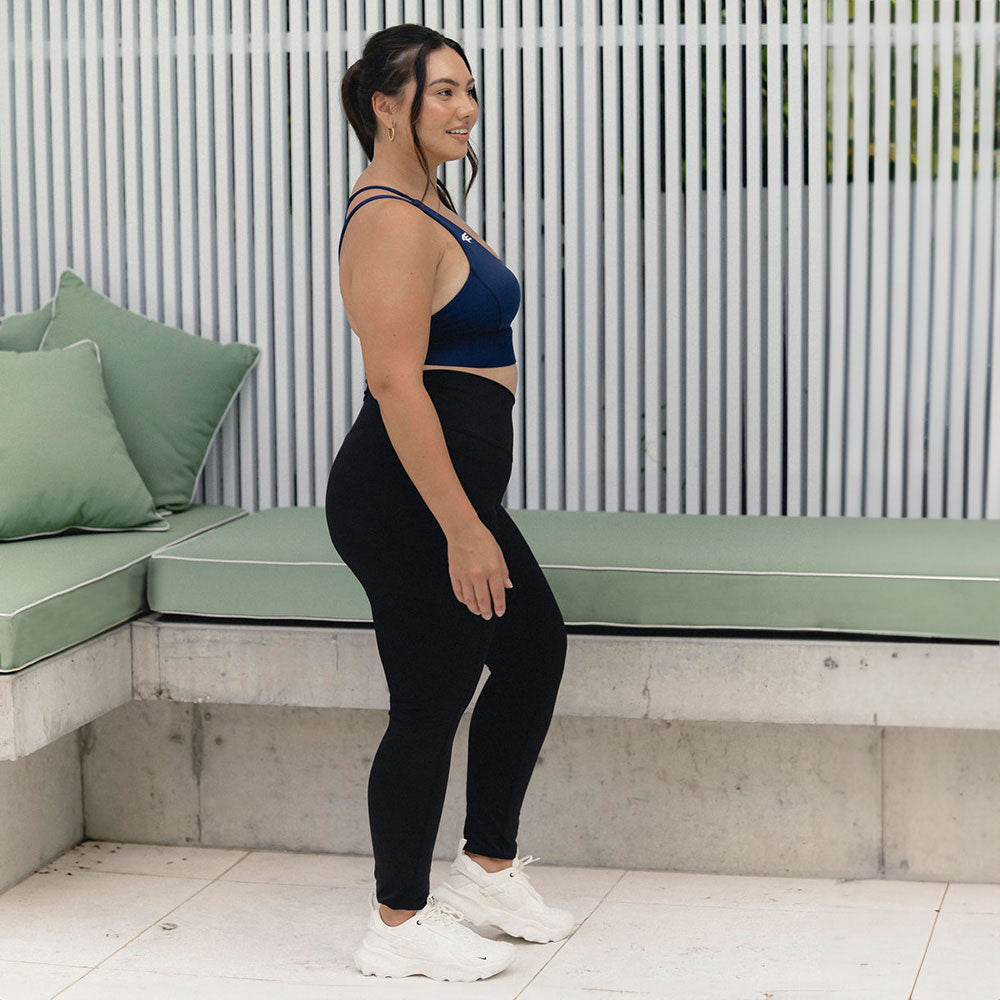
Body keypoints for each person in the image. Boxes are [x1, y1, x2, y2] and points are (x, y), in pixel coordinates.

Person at [326, 23, 573, 984]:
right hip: (405, 493)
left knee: (530, 647)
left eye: (469, 89)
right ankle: (394, 925)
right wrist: (463, 527)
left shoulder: (429, 199)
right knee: (430, 696)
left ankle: (485, 870)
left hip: (447, 488)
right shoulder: (387, 214)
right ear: (387, 105)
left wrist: (471, 511)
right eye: (442, 92)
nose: (465, 108)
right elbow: (395, 384)